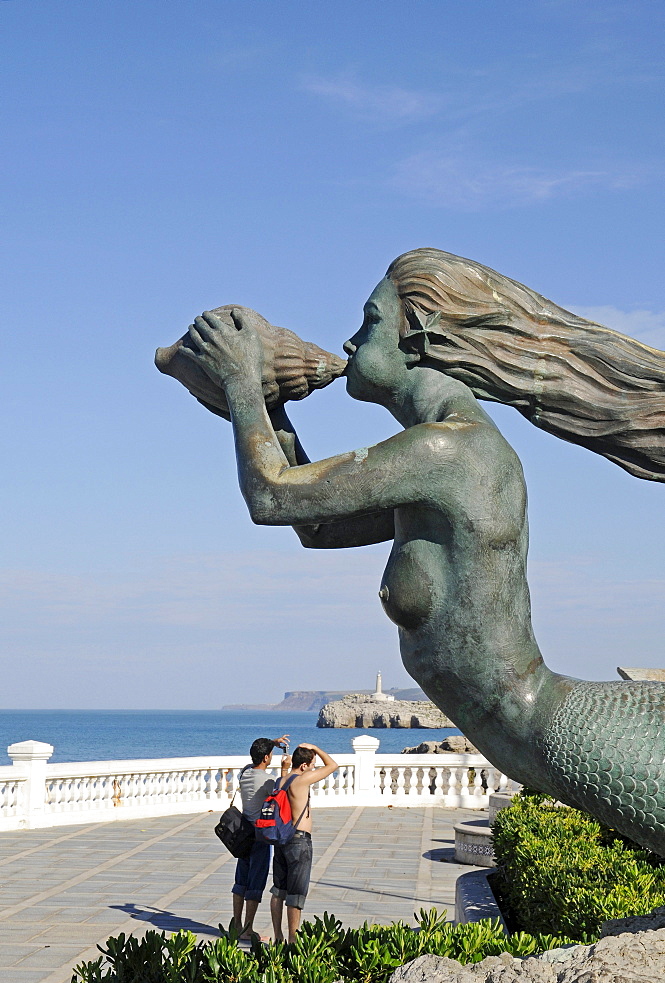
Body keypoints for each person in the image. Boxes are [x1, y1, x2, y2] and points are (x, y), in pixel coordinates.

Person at [179, 248, 665, 856]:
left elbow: (271, 498)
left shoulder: (449, 452)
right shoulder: (433, 458)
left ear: (420, 339)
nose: (352, 341)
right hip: (535, 734)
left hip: (558, 728)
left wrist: (240, 381)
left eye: (371, 321)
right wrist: (267, 405)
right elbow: (317, 527)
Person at [269, 742, 337, 943]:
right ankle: (292, 939)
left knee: (278, 891)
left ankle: (278, 936)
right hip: (299, 841)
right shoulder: (302, 780)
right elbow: (333, 766)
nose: (314, 768)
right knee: (296, 895)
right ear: (305, 765)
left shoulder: (281, 781)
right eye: (312, 764)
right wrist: (316, 748)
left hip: (281, 839)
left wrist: (285, 766)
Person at [232, 734, 290, 940]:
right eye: (271, 754)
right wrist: (284, 770)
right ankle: (247, 929)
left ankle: (236, 924)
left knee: (241, 879)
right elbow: (282, 792)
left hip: (243, 832)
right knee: (255, 883)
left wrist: (270, 744)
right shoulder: (267, 780)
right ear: (266, 757)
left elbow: (253, 764)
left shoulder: (245, 773)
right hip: (259, 835)